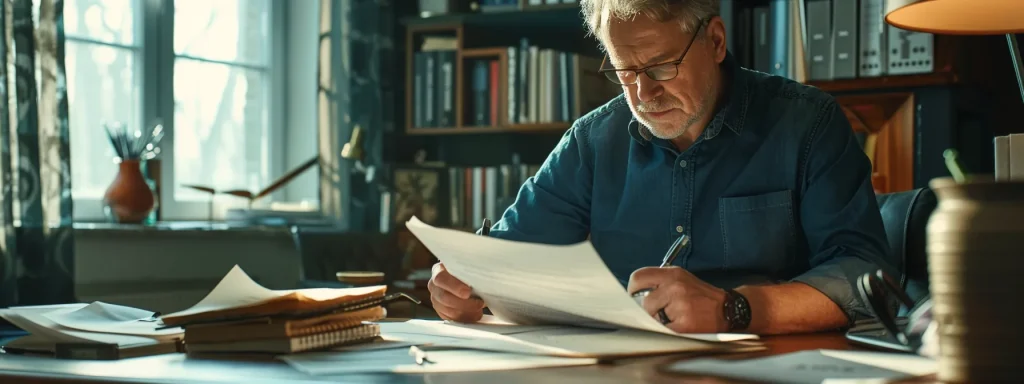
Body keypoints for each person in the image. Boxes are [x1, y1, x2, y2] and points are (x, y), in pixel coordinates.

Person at [427, 0, 893, 335]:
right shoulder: (593, 141)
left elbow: (862, 274)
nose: (642, 94)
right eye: (624, 71)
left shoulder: (807, 124)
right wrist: (472, 284)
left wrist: (734, 309)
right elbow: (508, 259)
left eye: (661, 66)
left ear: (714, 40)